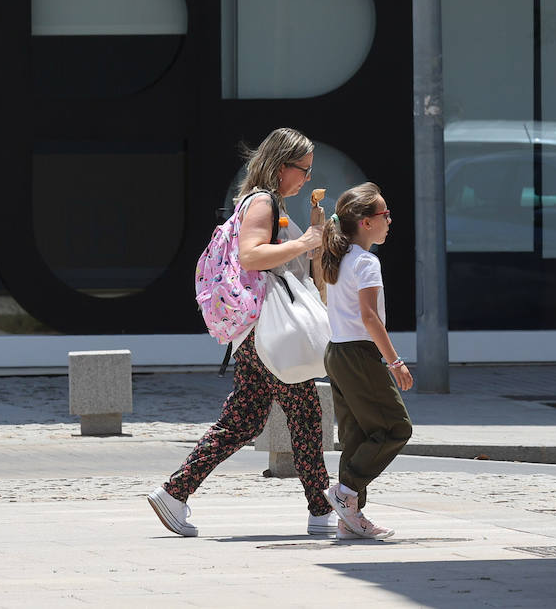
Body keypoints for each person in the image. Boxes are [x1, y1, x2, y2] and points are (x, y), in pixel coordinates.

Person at [147, 127, 337, 538]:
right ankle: (322, 511)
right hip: (264, 328)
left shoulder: (262, 202)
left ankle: (174, 493)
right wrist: (305, 242)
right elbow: (252, 256)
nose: (306, 178)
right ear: (281, 166)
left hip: (253, 331)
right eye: (302, 169)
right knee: (304, 412)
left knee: (244, 420)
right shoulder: (263, 203)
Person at [319, 182, 413, 540]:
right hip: (359, 353)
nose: (390, 220)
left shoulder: (338, 259)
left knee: (357, 436)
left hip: (337, 353)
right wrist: (395, 362)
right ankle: (345, 493)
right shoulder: (366, 262)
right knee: (395, 428)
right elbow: (370, 318)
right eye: (384, 215)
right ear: (365, 222)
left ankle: (349, 518)